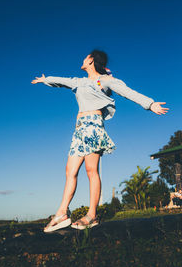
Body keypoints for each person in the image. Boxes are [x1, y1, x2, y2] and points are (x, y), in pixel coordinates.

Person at [31, 49, 169, 232]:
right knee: (69, 171)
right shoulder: (79, 82)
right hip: (79, 129)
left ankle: (92, 214)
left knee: (91, 170)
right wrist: (45, 79)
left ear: (91, 60)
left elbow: (128, 92)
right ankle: (62, 213)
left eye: (85, 56)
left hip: (93, 126)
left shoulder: (107, 81)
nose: (82, 58)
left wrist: (150, 104)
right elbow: (62, 80)